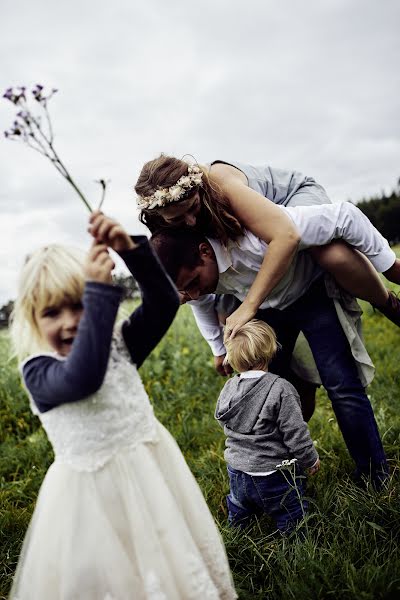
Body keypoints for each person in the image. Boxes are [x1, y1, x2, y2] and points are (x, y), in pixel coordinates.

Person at [8, 211, 237, 600]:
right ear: (31, 318)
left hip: (150, 475)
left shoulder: (117, 345)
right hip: (90, 503)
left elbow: (165, 301)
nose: (69, 323)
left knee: (165, 565)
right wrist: (96, 296)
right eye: (52, 312)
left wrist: (130, 249)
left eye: (78, 305)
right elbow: (84, 376)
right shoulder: (39, 373)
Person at [150, 227, 388, 487]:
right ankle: (279, 474)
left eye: (194, 283)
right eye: (186, 290)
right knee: (270, 394)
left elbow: (287, 238)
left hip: (310, 292)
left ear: (205, 252)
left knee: (341, 383)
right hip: (267, 312)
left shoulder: (247, 243)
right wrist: (218, 349)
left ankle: (374, 474)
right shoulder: (191, 277)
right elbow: (200, 303)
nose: (194, 293)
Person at [135, 155, 400, 335]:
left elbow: (285, 234)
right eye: (178, 219)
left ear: (198, 191)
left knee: (326, 252)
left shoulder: (220, 184)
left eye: (193, 209)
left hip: (291, 199)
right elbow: (190, 283)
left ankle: (387, 303)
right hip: (260, 240)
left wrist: (250, 305)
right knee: (224, 308)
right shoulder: (168, 229)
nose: (191, 222)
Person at [216, 319, 320, 532]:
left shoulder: (229, 387)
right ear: (270, 352)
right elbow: (295, 432)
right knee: (291, 511)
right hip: (273, 473)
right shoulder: (281, 388)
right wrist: (310, 459)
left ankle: (236, 535)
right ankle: (295, 547)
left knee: (239, 507)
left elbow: (222, 418)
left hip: (237, 471)